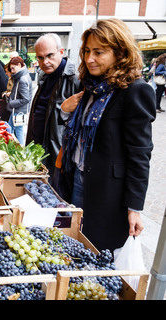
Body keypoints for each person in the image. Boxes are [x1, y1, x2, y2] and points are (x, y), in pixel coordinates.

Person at [58, 18, 156, 252]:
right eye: (87, 51)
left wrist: (134, 208)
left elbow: (140, 154)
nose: (89, 58)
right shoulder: (91, 87)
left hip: (107, 193)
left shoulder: (135, 91)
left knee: (96, 250)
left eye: (99, 52)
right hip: (78, 179)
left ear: (120, 52)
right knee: (74, 245)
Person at [25, 33, 81, 180]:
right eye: (40, 57)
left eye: (50, 55)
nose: (45, 61)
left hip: (57, 155)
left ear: (61, 52)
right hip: (38, 151)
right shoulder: (44, 77)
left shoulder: (74, 79)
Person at [4, 56, 33, 145]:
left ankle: (20, 152)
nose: (12, 71)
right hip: (18, 110)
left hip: (18, 110)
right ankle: (18, 150)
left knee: (15, 131)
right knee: (11, 130)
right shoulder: (22, 76)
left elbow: (25, 99)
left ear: (19, 65)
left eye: (13, 68)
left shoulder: (22, 79)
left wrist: (11, 102)